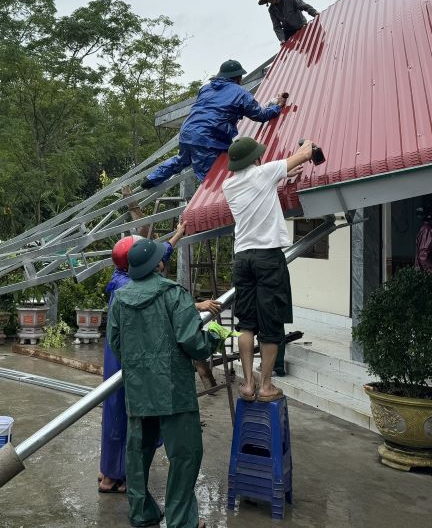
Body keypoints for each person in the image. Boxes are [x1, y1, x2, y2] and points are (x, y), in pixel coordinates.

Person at [108, 239, 230, 528]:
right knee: (185, 454)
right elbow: (193, 343)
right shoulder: (174, 294)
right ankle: (181, 520)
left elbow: (116, 343)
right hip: (174, 390)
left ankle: (141, 512)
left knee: (138, 452)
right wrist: (214, 334)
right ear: (159, 265)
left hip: (139, 389)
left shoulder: (120, 299)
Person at [223, 136, 315, 402]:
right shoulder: (264, 173)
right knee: (271, 324)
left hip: (242, 258)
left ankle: (249, 384)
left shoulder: (230, 185)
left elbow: (261, 187)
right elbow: (306, 152)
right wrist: (305, 143)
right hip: (268, 259)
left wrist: (282, 174)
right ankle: (266, 386)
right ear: (255, 158)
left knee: (246, 324)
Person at [141, 59, 284, 190]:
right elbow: (260, 115)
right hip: (209, 138)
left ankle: (151, 179)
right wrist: (277, 107)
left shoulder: (205, 88)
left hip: (187, 132)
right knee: (211, 180)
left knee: (182, 159)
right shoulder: (240, 93)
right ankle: (217, 206)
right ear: (238, 77)